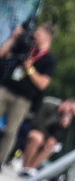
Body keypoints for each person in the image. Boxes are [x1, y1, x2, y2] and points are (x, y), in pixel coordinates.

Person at [0, 22, 57, 164]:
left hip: (23, 99)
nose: (35, 35)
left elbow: (43, 83)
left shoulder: (49, 59)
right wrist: (14, 38)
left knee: (10, 131)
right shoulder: (27, 46)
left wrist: (30, 69)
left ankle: (1, 159)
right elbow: (3, 53)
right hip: (7, 88)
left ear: (47, 36)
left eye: (39, 33)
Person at [17, 97, 75, 177]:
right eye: (70, 110)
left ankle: (31, 167)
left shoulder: (64, 117)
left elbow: (58, 137)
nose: (69, 113)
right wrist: (47, 138)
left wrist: (62, 126)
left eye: (73, 113)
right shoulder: (49, 105)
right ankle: (25, 166)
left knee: (52, 146)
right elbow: (38, 123)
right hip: (31, 127)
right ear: (66, 103)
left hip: (45, 135)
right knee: (37, 138)